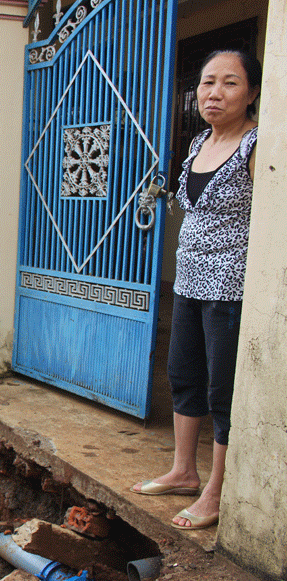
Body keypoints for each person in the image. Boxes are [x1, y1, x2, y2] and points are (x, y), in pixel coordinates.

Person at [131, 49, 262, 531]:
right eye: (208, 82)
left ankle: (216, 490)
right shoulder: (199, 143)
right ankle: (184, 471)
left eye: (230, 83)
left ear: (251, 93)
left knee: (221, 389)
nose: (214, 92)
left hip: (231, 287)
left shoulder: (257, 147)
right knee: (183, 373)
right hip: (189, 280)